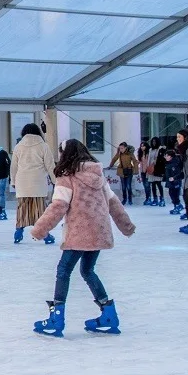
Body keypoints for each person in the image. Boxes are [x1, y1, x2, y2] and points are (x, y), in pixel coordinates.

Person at [32, 139, 135, 337]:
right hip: (98, 231)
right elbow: (114, 203)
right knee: (87, 270)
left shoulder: (67, 177)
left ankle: (56, 318)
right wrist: (127, 227)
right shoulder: (98, 175)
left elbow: (58, 206)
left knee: (63, 270)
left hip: (79, 232)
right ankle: (108, 314)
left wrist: (40, 229)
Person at [10, 123, 57, 245]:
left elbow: (13, 166)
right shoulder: (43, 146)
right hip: (38, 181)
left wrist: (13, 181)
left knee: (23, 208)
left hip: (22, 182)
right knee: (40, 209)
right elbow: (50, 165)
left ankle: (18, 232)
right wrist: (55, 180)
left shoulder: (18, 146)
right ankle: (45, 234)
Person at [163, 146, 183, 215]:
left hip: (175, 182)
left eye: (167, 156)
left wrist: (174, 178)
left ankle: (177, 206)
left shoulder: (175, 163)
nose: (165, 157)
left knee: (175, 195)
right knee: (171, 194)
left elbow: (178, 173)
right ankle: (177, 205)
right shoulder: (169, 163)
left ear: (171, 156)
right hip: (171, 182)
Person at [149, 141, 167, 207]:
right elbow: (149, 159)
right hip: (151, 168)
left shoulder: (160, 149)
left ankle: (162, 198)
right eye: (152, 141)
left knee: (159, 184)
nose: (154, 143)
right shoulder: (150, 149)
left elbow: (162, 158)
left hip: (158, 168)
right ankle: (155, 199)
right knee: (153, 184)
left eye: (155, 141)